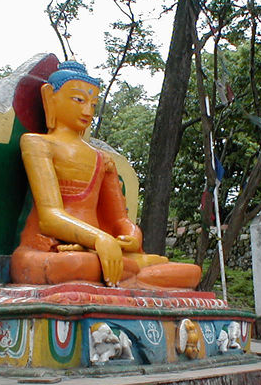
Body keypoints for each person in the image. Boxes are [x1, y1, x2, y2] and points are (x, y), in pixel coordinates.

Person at [10, 61, 201, 289]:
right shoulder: (38, 144)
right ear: (50, 96)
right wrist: (99, 238)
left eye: (93, 104)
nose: (87, 111)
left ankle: (128, 274)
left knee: (191, 272)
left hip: (100, 250)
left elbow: (120, 220)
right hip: (49, 251)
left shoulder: (102, 159)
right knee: (78, 264)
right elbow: (50, 217)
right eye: (78, 100)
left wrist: (132, 236)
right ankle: (132, 275)